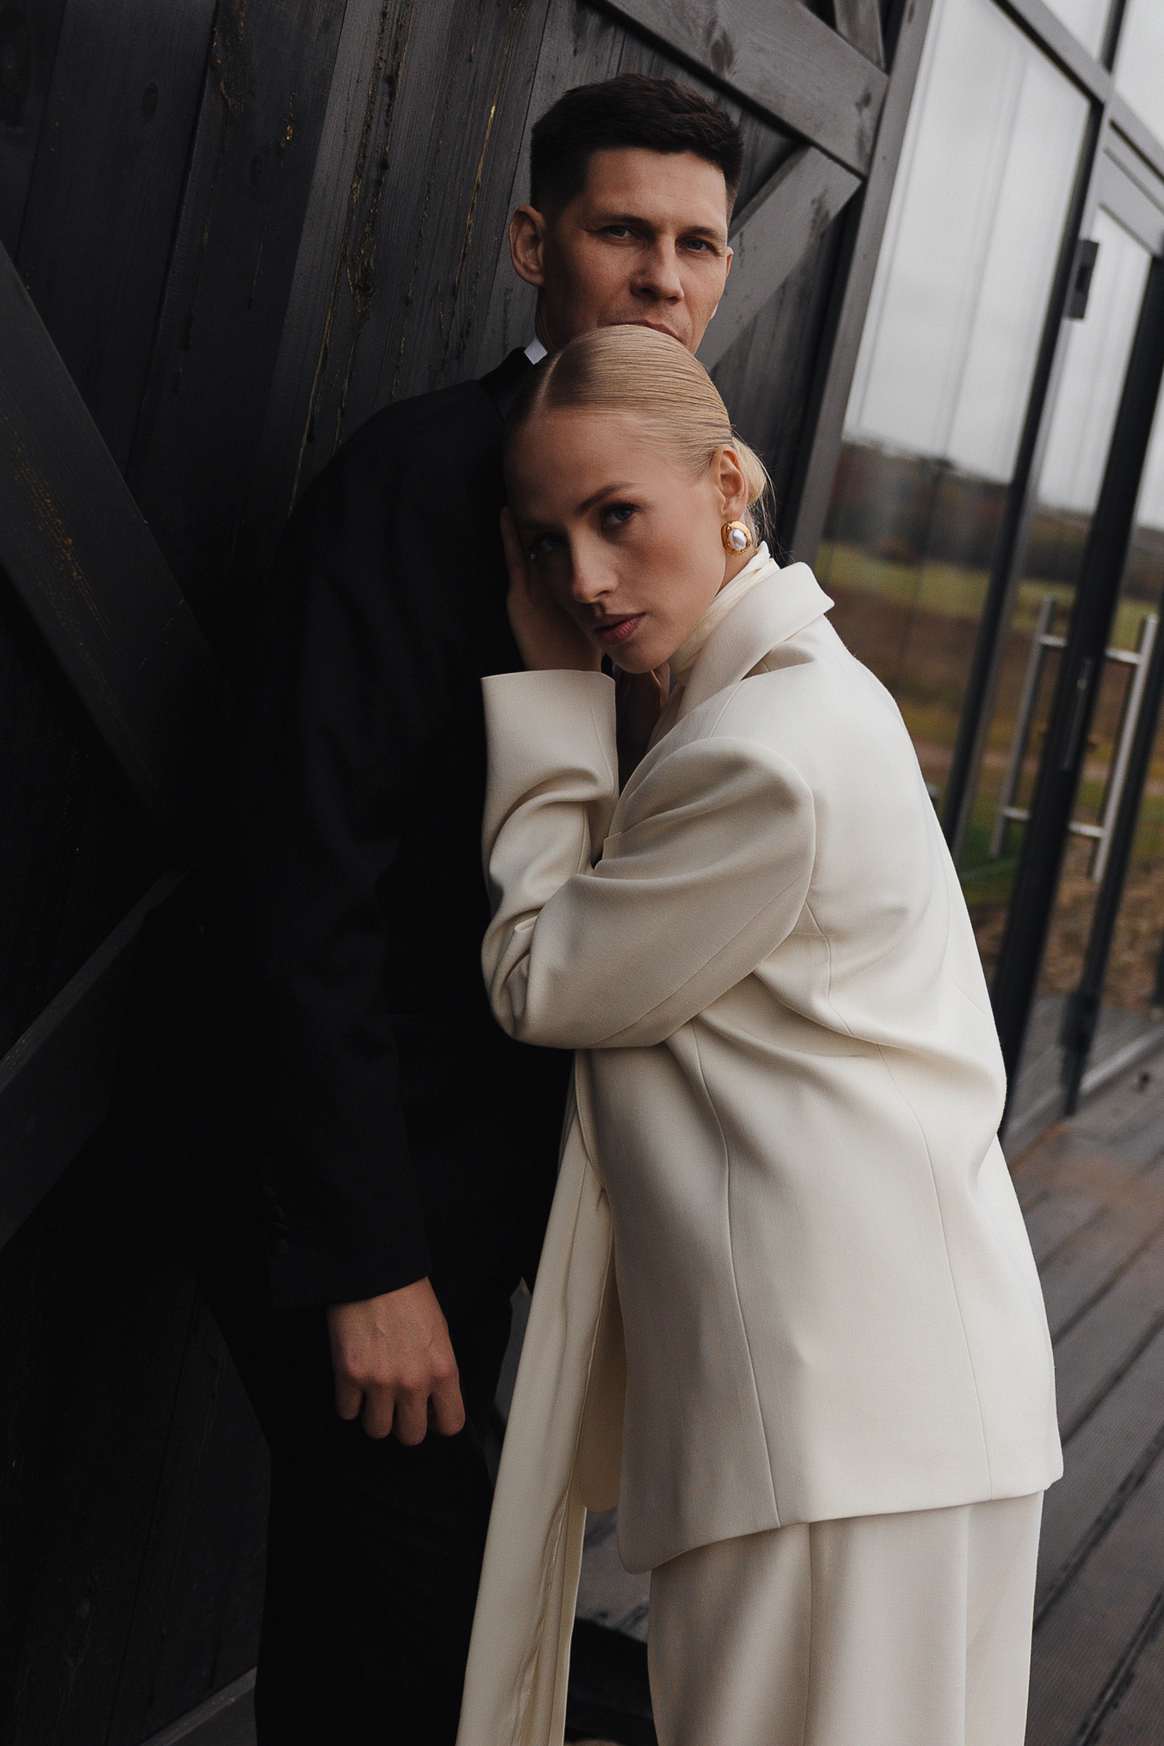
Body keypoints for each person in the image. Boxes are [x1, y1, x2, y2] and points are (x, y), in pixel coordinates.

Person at [216, 76, 744, 1746]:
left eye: (699, 245)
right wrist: (370, 1259)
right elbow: (298, 881)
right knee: (428, 1663)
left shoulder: (702, 507)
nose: (662, 276)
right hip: (364, 1204)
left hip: (508, 1209)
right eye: (622, 230)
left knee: (360, 1647)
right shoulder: (418, 480)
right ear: (532, 241)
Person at [456, 323, 1063, 1746]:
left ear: (727, 483)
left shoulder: (760, 753)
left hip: (833, 1425)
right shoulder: (808, 700)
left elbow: (543, 975)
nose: (583, 579)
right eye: (547, 542)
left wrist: (552, 704)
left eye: (617, 517)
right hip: (912, 1411)